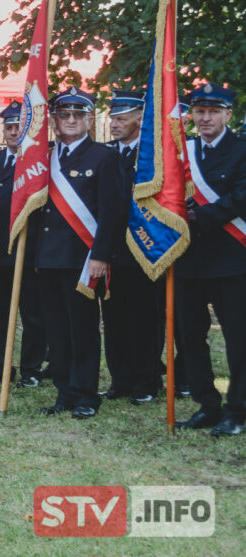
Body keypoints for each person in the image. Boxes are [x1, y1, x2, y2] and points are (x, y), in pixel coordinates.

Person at [32, 88, 123, 419]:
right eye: (64, 115)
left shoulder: (104, 157)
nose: (71, 121)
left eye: (78, 115)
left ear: (88, 120)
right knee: (55, 330)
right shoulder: (42, 157)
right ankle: (64, 393)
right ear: (54, 119)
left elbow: (112, 213)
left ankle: (86, 395)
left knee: (82, 329)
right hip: (48, 258)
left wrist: (101, 256)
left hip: (83, 260)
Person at [175, 83, 246, 437]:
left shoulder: (242, 149)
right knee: (189, 336)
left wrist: (196, 217)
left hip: (233, 259)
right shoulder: (182, 151)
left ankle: (238, 409)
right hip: (188, 259)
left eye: (213, 112)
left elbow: (240, 198)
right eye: (200, 112)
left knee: (238, 338)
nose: (205, 118)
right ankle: (207, 404)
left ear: (227, 114)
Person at [0, 100, 46, 389]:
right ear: (3, 131)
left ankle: (31, 368)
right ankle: (0, 366)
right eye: (9, 127)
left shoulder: (40, 163)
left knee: (32, 314)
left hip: (30, 251)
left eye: (19, 126)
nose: (14, 131)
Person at [101, 89, 162, 404]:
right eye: (113, 118)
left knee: (144, 319)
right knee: (114, 320)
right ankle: (120, 380)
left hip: (145, 250)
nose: (115, 123)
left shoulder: (154, 157)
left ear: (141, 118)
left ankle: (146, 383)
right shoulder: (108, 154)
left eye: (122, 118)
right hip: (112, 251)